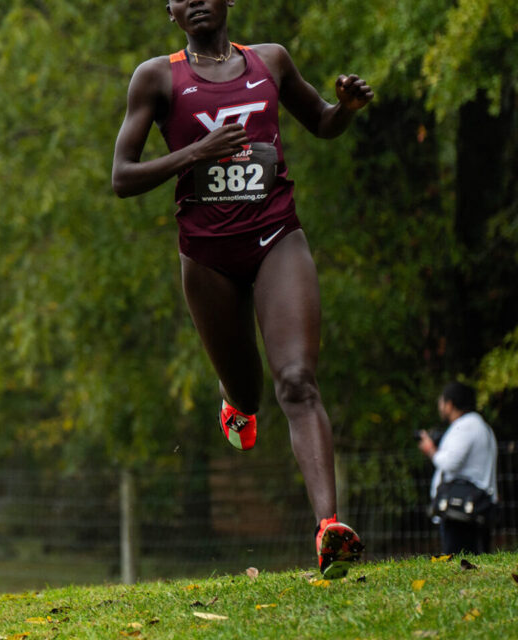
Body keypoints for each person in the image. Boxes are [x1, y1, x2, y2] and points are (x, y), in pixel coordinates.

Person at [111, 0, 370, 578]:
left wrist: (346, 109)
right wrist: (195, 153)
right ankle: (234, 400)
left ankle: (329, 528)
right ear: (172, 11)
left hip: (278, 235)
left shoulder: (271, 61)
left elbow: (323, 123)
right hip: (207, 256)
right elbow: (121, 177)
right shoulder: (156, 77)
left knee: (299, 381)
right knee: (250, 394)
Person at [419, 382, 498, 554]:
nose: (440, 406)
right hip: (472, 508)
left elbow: (451, 463)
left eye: (441, 402)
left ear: (450, 404)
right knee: (473, 565)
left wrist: (431, 450)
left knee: (460, 565)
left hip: (462, 512)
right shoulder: (479, 425)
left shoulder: (466, 426)